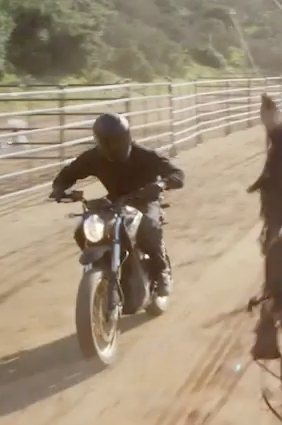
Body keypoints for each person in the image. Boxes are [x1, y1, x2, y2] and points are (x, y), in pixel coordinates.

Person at [49, 113, 184, 296]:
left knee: (149, 226)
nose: (113, 146)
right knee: (83, 230)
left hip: (145, 200)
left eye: (117, 140)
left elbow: (176, 174)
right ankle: (102, 264)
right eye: (108, 141)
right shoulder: (93, 157)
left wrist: (161, 184)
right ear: (99, 140)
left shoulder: (144, 155)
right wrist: (59, 189)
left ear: (127, 137)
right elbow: (67, 174)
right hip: (114, 201)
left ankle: (161, 271)